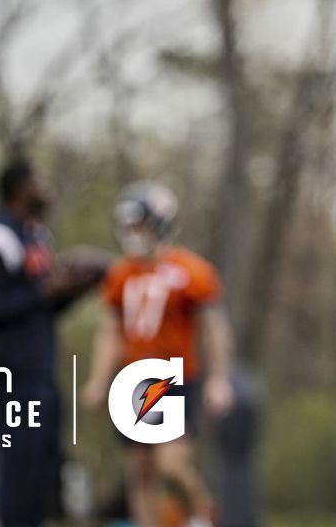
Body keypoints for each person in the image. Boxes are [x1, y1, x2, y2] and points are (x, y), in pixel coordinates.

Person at [83, 181, 234, 527]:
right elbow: (110, 332)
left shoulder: (190, 270)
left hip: (174, 376)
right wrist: (98, 380)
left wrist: (219, 379)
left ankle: (200, 514)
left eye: (139, 223)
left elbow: (214, 329)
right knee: (141, 472)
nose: (133, 232)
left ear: (159, 222)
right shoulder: (120, 274)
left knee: (170, 465)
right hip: (133, 377)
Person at [0, 157, 101, 527]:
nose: (45, 187)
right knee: (19, 462)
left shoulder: (38, 236)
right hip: (13, 370)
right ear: (18, 189)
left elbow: (43, 306)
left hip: (42, 368)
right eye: (37, 180)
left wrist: (74, 289)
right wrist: (44, 290)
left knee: (46, 463)